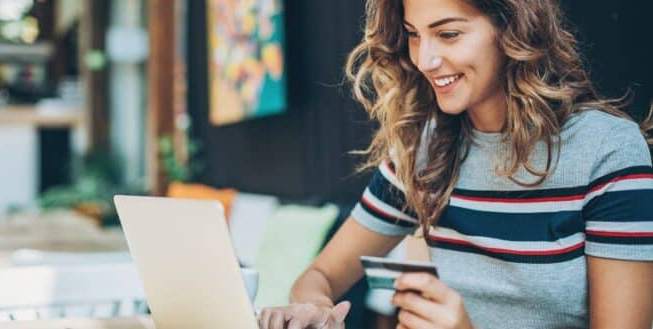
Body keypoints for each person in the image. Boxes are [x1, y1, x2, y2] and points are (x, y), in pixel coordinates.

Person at [257, 0, 653, 328]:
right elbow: (318, 277)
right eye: (414, 35)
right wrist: (314, 308)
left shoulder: (607, 151)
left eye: (448, 34)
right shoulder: (422, 151)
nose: (425, 60)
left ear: (513, 29)